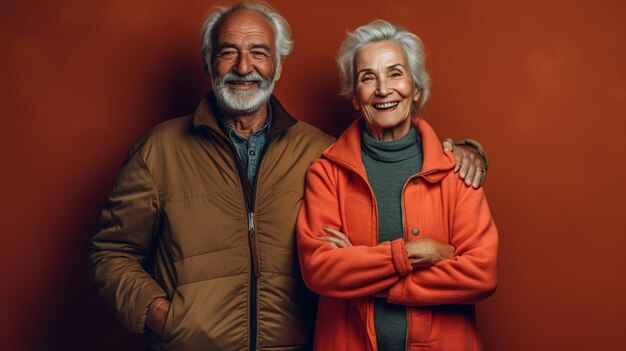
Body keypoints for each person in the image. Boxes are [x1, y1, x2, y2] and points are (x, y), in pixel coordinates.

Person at [88, 3, 487, 351]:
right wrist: (165, 318)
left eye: (259, 52)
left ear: (277, 65)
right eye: (229, 52)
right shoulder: (159, 151)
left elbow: (394, 154)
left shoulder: (322, 154)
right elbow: (111, 254)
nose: (244, 67)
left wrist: (468, 152)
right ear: (210, 63)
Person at [296, 20, 498, 351]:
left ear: (416, 88)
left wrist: (364, 273)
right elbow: (320, 270)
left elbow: (481, 274)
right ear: (355, 98)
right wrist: (411, 253)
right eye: (367, 77)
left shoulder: (455, 169)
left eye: (395, 73)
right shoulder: (326, 173)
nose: (382, 89)